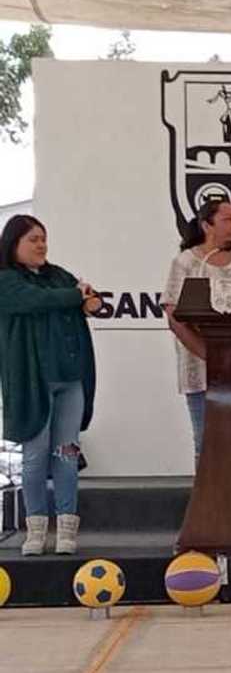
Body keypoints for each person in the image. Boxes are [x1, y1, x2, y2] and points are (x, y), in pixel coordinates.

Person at [0, 215, 100, 555]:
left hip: (70, 380)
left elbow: (89, 298)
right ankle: (36, 528)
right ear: (13, 243)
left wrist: (89, 299)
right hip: (33, 384)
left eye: (43, 238)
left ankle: (67, 527)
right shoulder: (6, 280)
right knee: (34, 456)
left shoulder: (59, 276)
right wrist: (75, 295)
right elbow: (36, 300)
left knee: (67, 453)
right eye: (33, 239)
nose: (41, 245)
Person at [162, 199, 231, 471]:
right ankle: (209, 499)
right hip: (202, 371)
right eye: (228, 220)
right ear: (206, 225)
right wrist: (211, 357)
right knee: (207, 441)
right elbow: (175, 317)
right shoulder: (187, 263)